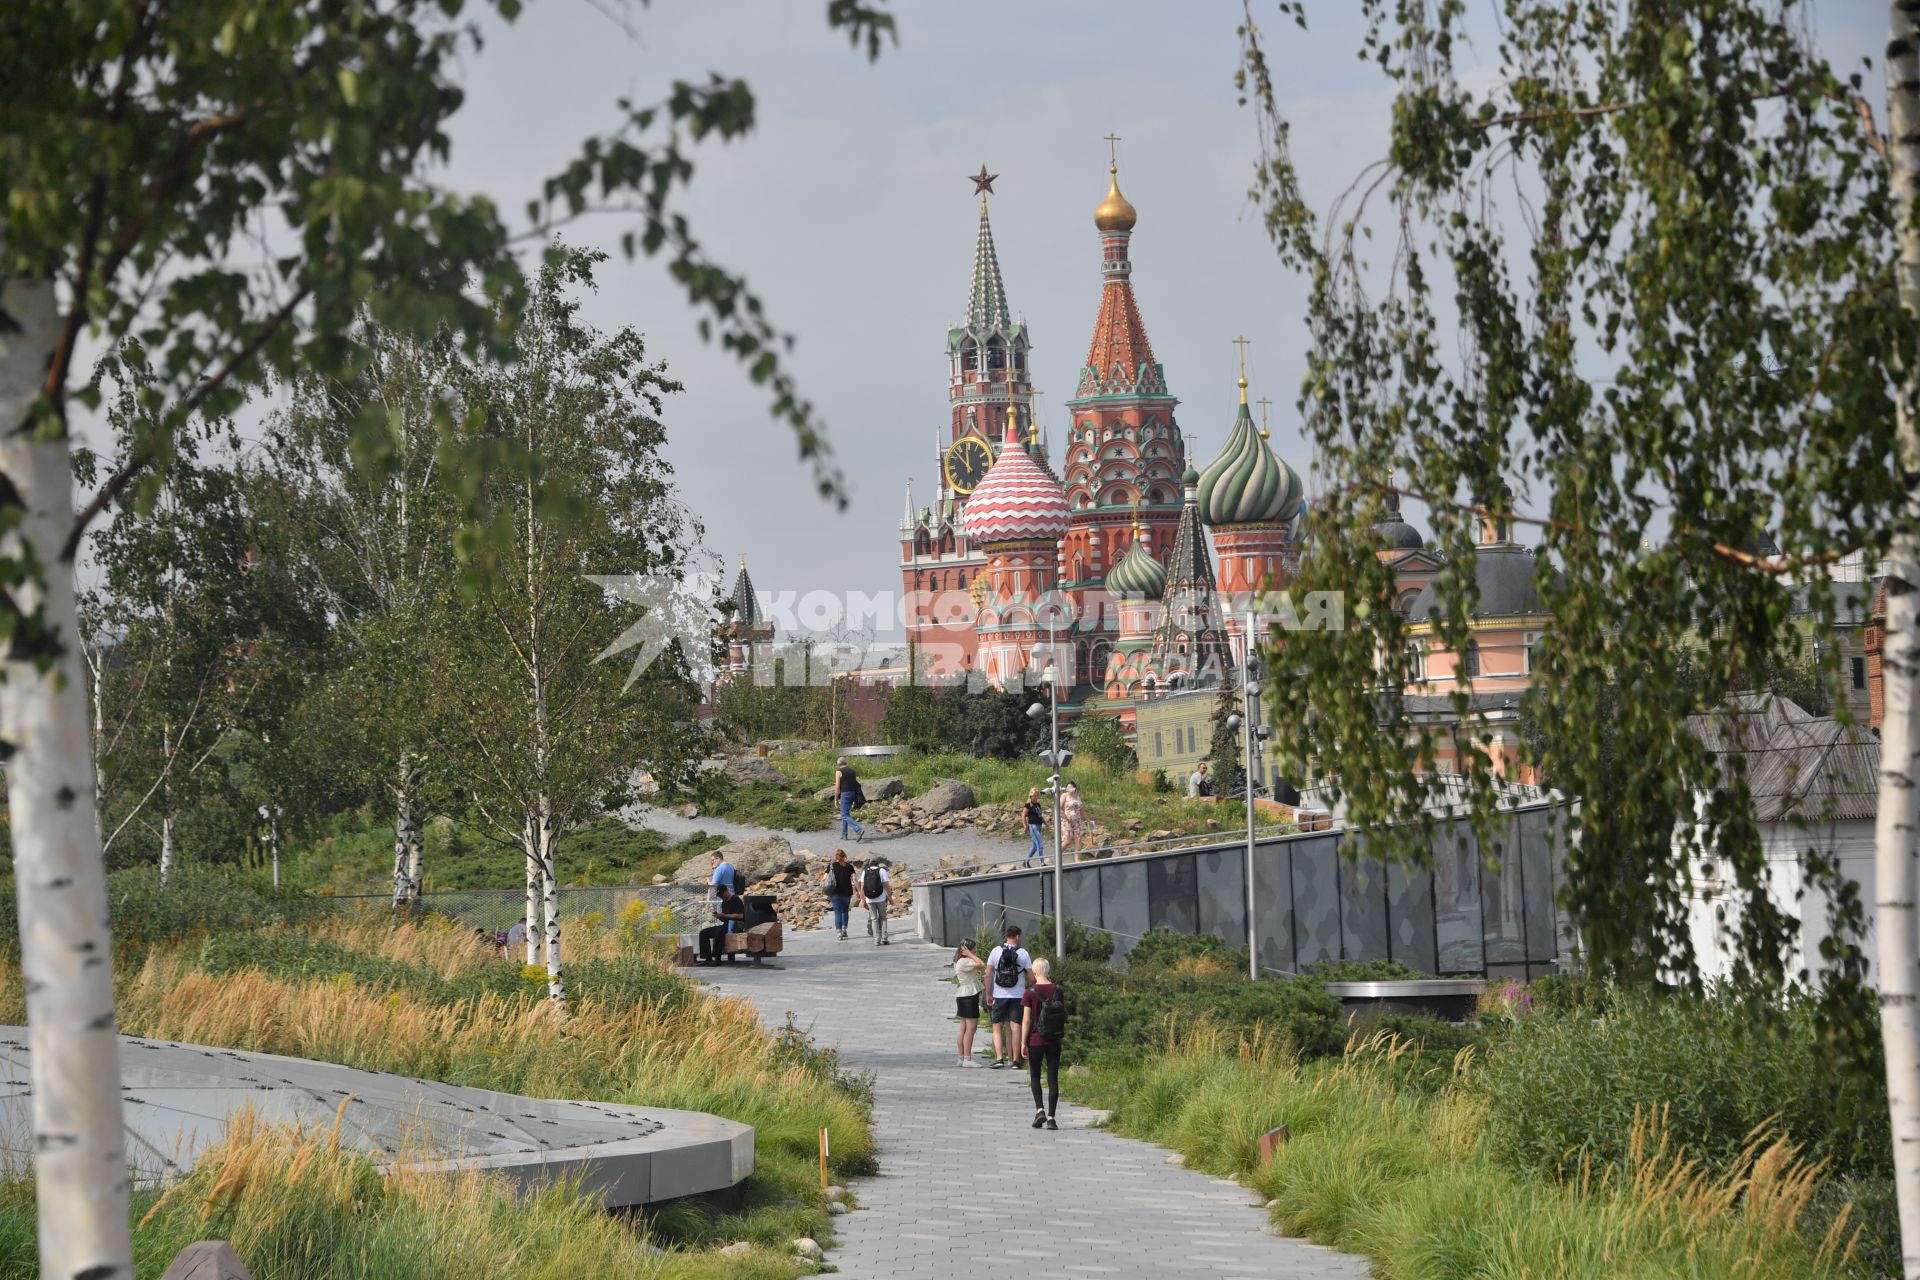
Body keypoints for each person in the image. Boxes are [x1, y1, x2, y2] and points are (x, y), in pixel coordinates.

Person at [1021, 956, 1068, 1129]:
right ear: (1048, 970)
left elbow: (1026, 1021)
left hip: (1036, 1039)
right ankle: (1051, 1118)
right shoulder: (1058, 991)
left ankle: (1039, 1110)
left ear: (1034, 972)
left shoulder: (1029, 993)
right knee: (1053, 1078)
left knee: (1035, 1075)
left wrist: (1023, 1043)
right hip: (1054, 1039)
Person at [984, 925, 1032, 1068]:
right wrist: (1031, 987)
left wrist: (988, 994)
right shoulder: (1023, 953)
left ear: (1006, 936)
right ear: (1017, 936)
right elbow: (1031, 976)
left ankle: (999, 1058)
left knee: (997, 1027)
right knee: (1015, 1027)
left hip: (999, 995)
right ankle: (1016, 1061)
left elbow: (988, 975)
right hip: (1018, 996)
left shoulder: (996, 951)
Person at [952, 940, 986, 1066]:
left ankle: (961, 1057)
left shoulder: (958, 961)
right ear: (966, 950)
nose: (975, 952)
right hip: (969, 996)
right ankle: (967, 1058)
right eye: (974, 950)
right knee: (971, 1029)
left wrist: (969, 954)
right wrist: (970, 955)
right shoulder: (965, 961)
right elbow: (981, 964)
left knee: (963, 1028)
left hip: (962, 995)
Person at [697, 882, 746, 964]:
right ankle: (707, 958)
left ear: (726, 891)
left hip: (736, 925)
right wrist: (720, 917)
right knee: (703, 933)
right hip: (726, 925)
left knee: (720, 932)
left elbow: (741, 916)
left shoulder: (735, 899)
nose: (721, 897)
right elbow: (725, 919)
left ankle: (717, 959)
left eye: (721, 895)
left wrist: (725, 915)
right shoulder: (724, 903)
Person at [821, 848, 856, 940]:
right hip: (847, 892)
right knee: (845, 911)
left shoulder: (832, 866)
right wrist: (859, 891)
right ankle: (844, 930)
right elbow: (854, 879)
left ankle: (839, 933)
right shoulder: (849, 866)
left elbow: (824, 878)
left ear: (836, 856)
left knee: (837, 912)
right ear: (844, 856)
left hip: (835, 892)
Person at [834, 755, 867, 842]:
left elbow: (837, 787)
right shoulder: (853, 771)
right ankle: (844, 834)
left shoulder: (838, 771)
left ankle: (858, 830)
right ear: (845, 763)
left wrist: (836, 799)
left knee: (844, 815)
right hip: (853, 793)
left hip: (845, 794)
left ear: (838, 764)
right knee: (846, 813)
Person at [861, 858, 891, 945]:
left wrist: (862, 900)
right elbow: (886, 885)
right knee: (883, 918)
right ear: (878, 865)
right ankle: (884, 938)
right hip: (881, 898)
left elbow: (862, 887)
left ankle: (876, 940)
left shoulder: (865, 871)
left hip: (869, 899)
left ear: (870, 865)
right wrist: (890, 897)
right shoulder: (882, 871)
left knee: (874, 919)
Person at [1060, 781, 1085, 852]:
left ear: (1074, 788)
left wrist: (1088, 821)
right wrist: (1065, 818)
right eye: (1068, 787)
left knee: (1078, 838)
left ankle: (1077, 859)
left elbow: (1082, 811)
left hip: (1077, 820)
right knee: (1068, 838)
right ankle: (1057, 854)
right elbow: (1059, 808)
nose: (1070, 789)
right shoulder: (1064, 795)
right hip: (1066, 820)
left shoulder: (1078, 797)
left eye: (1071, 787)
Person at [1023, 789, 1045, 865]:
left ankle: (1026, 861)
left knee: (1035, 847)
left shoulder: (1038, 804)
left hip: (1039, 826)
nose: (1036, 797)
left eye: (1037, 795)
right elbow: (1023, 816)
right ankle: (1042, 863)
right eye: (1034, 795)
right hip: (1033, 826)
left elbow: (1040, 815)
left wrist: (1046, 824)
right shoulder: (1028, 805)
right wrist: (1025, 825)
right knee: (1040, 844)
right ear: (1031, 796)